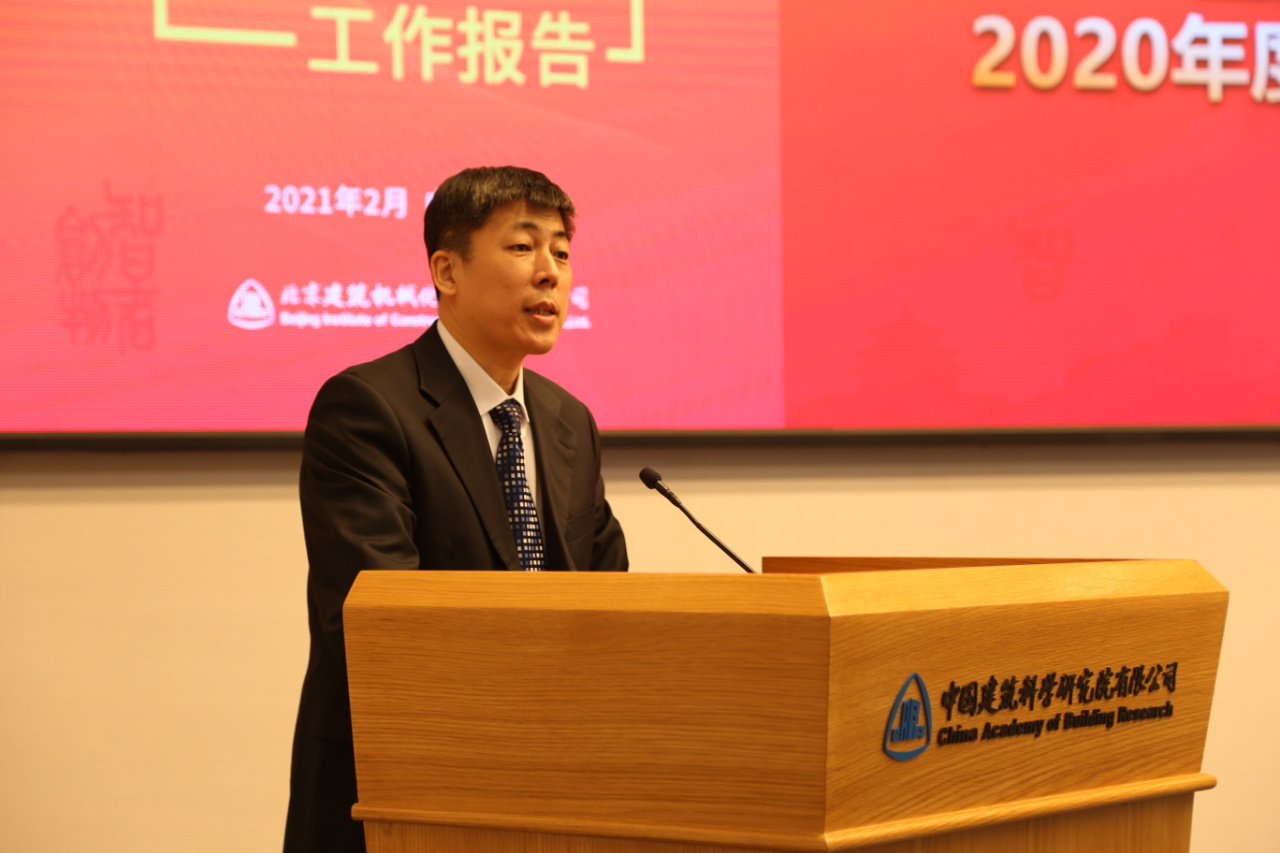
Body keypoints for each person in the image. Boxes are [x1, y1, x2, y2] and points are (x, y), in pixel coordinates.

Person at [283, 166, 628, 853]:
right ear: (446, 270)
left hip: (551, 783)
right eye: (523, 246)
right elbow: (378, 618)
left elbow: (608, 596)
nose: (550, 272)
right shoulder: (369, 408)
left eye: (562, 252)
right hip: (403, 782)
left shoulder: (568, 420)